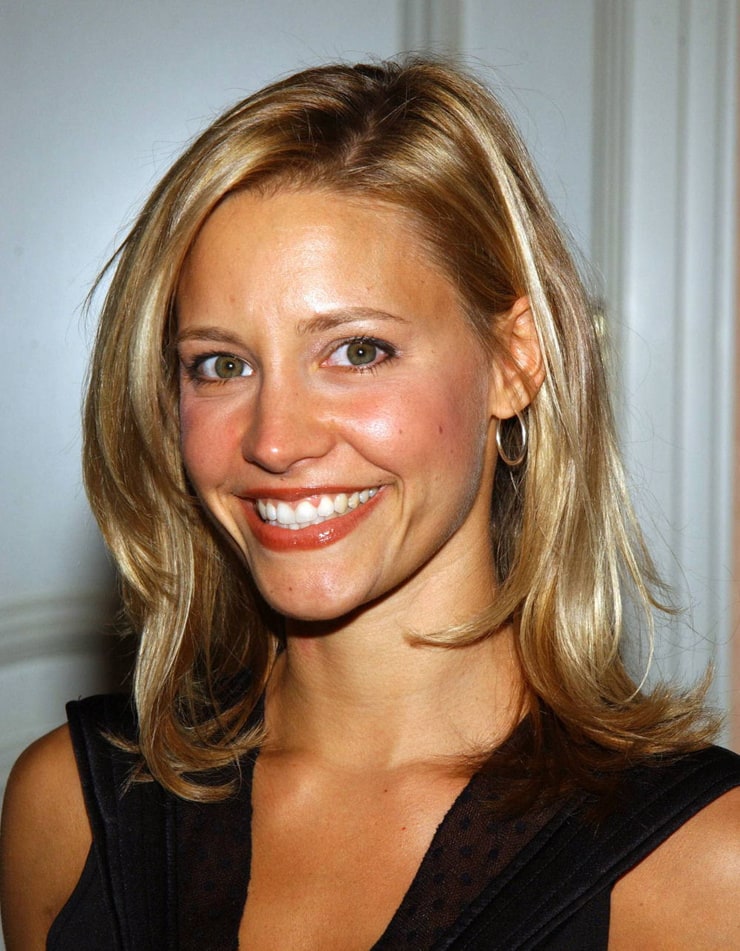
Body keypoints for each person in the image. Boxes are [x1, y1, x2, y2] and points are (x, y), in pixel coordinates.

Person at [1, 57, 739, 951]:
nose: (276, 440)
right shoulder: (68, 815)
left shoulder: (703, 871)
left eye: (357, 352)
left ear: (514, 360)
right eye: (221, 364)